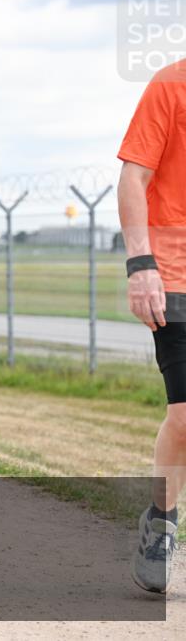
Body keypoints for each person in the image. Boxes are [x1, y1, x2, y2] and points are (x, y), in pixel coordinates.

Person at [117, 58, 185, 594]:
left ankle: (161, 524)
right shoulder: (171, 82)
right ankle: (161, 524)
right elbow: (134, 177)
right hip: (176, 270)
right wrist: (141, 266)